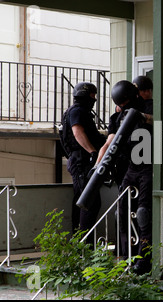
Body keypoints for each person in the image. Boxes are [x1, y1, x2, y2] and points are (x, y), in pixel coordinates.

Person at [97, 80, 154, 275]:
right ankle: (125, 256)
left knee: (144, 214)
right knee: (122, 213)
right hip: (130, 167)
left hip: (149, 166)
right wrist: (97, 166)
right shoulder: (118, 116)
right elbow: (109, 141)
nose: (123, 107)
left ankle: (144, 260)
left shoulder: (148, 106)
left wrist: (143, 117)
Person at [61, 82, 106, 240]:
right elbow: (77, 131)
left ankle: (81, 242)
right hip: (81, 161)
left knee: (84, 200)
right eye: (92, 96)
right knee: (89, 201)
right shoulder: (78, 111)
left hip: (79, 160)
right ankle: (84, 245)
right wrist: (92, 151)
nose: (94, 99)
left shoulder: (74, 110)